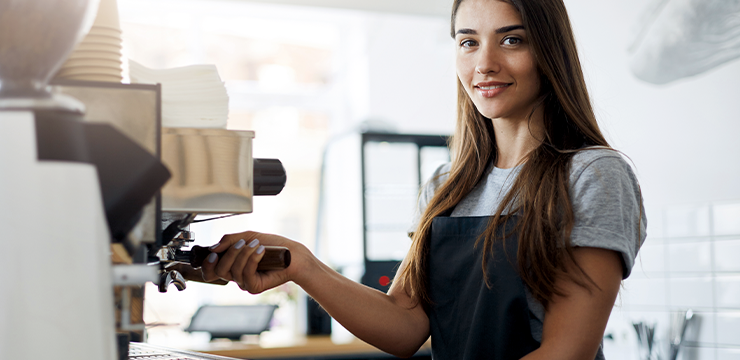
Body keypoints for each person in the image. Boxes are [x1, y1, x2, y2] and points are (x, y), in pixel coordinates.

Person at [202, 0, 646, 358]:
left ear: (550, 52)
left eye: (511, 40)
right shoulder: (446, 184)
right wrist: (301, 265)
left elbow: (566, 352)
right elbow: (404, 324)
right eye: (468, 42)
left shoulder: (593, 174)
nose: (485, 63)